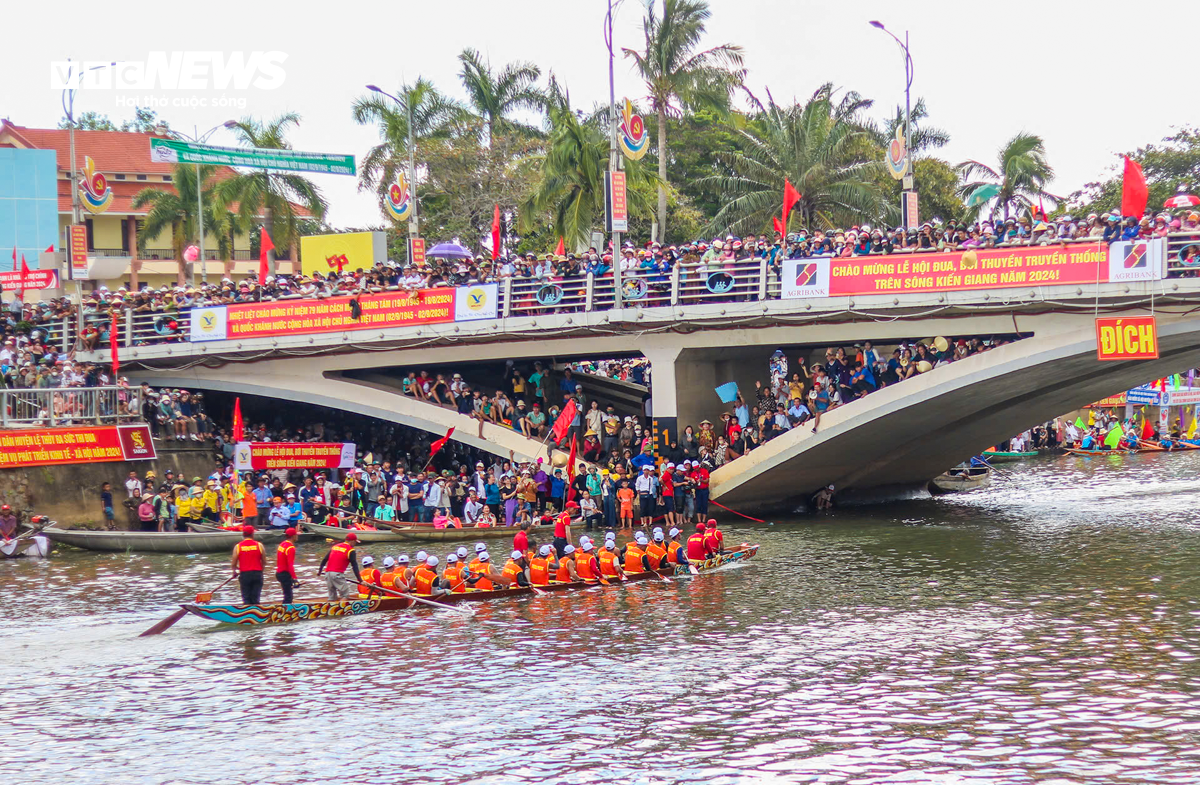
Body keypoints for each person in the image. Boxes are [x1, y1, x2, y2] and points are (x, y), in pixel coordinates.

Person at [317, 532, 362, 601]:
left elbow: (325, 559)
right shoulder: (351, 550)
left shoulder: (335, 546)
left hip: (327, 573)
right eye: (355, 542)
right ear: (352, 541)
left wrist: (320, 571)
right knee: (345, 595)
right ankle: (343, 610)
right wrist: (360, 580)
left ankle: (329, 609)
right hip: (337, 574)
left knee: (332, 597)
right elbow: (354, 566)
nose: (355, 544)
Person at [231, 525, 266, 605]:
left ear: (243, 534)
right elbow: (264, 561)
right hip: (257, 573)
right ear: (253, 534)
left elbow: (233, 563)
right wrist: (261, 570)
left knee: (246, 597)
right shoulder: (259, 545)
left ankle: (247, 613)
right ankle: (257, 613)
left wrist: (234, 571)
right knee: (256, 597)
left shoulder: (238, 546)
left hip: (244, 574)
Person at [276, 528, 300, 603]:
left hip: (279, 573)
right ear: (293, 536)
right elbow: (290, 565)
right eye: (296, 535)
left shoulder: (282, 544)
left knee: (286, 593)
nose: (297, 536)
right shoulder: (291, 548)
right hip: (285, 574)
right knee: (289, 596)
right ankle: (285, 611)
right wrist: (295, 578)